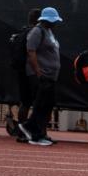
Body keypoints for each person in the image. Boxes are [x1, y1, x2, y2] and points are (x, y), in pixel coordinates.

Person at [17, 8, 63, 146]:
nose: (55, 23)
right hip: (41, 75)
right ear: (46, 20)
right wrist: (38, 72)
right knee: (41, 104)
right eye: (53, 20)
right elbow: (31, 51)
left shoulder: (49, 32)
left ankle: (39, 132)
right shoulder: (37, 31)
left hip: (50, 75)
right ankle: (32, 131)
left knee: (47, 105)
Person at [7, 8, 40, 137]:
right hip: (32, 72)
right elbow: (32, 53)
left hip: (21, 72)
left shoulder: (22, 31)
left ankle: (21, 129)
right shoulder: (35, 33)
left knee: (25, 103)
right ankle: (34, 129)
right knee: (38, 102)